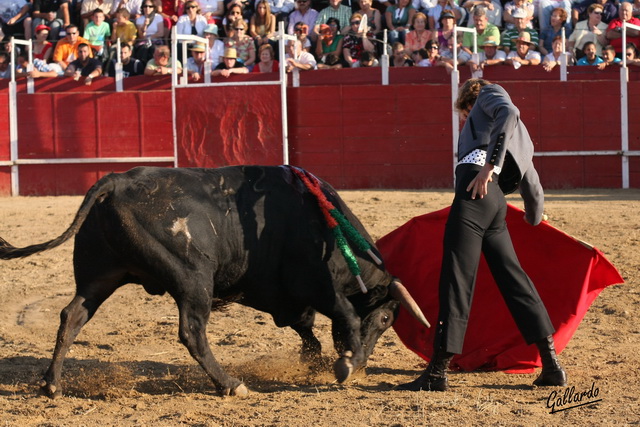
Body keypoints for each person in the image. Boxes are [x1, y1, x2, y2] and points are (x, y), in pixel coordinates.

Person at [396, 78, 567, 392]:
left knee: (456, 279)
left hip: (476, 189)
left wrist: (490, 167)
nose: (466, 119)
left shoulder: (490, 94)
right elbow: (533, 185)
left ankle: (436, 372)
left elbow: (509, 112)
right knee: (515, 281)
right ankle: (551, 363)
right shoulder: (523, 139)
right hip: (495, 204)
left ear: (470, 100)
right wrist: (533, 215)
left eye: (465, 111)